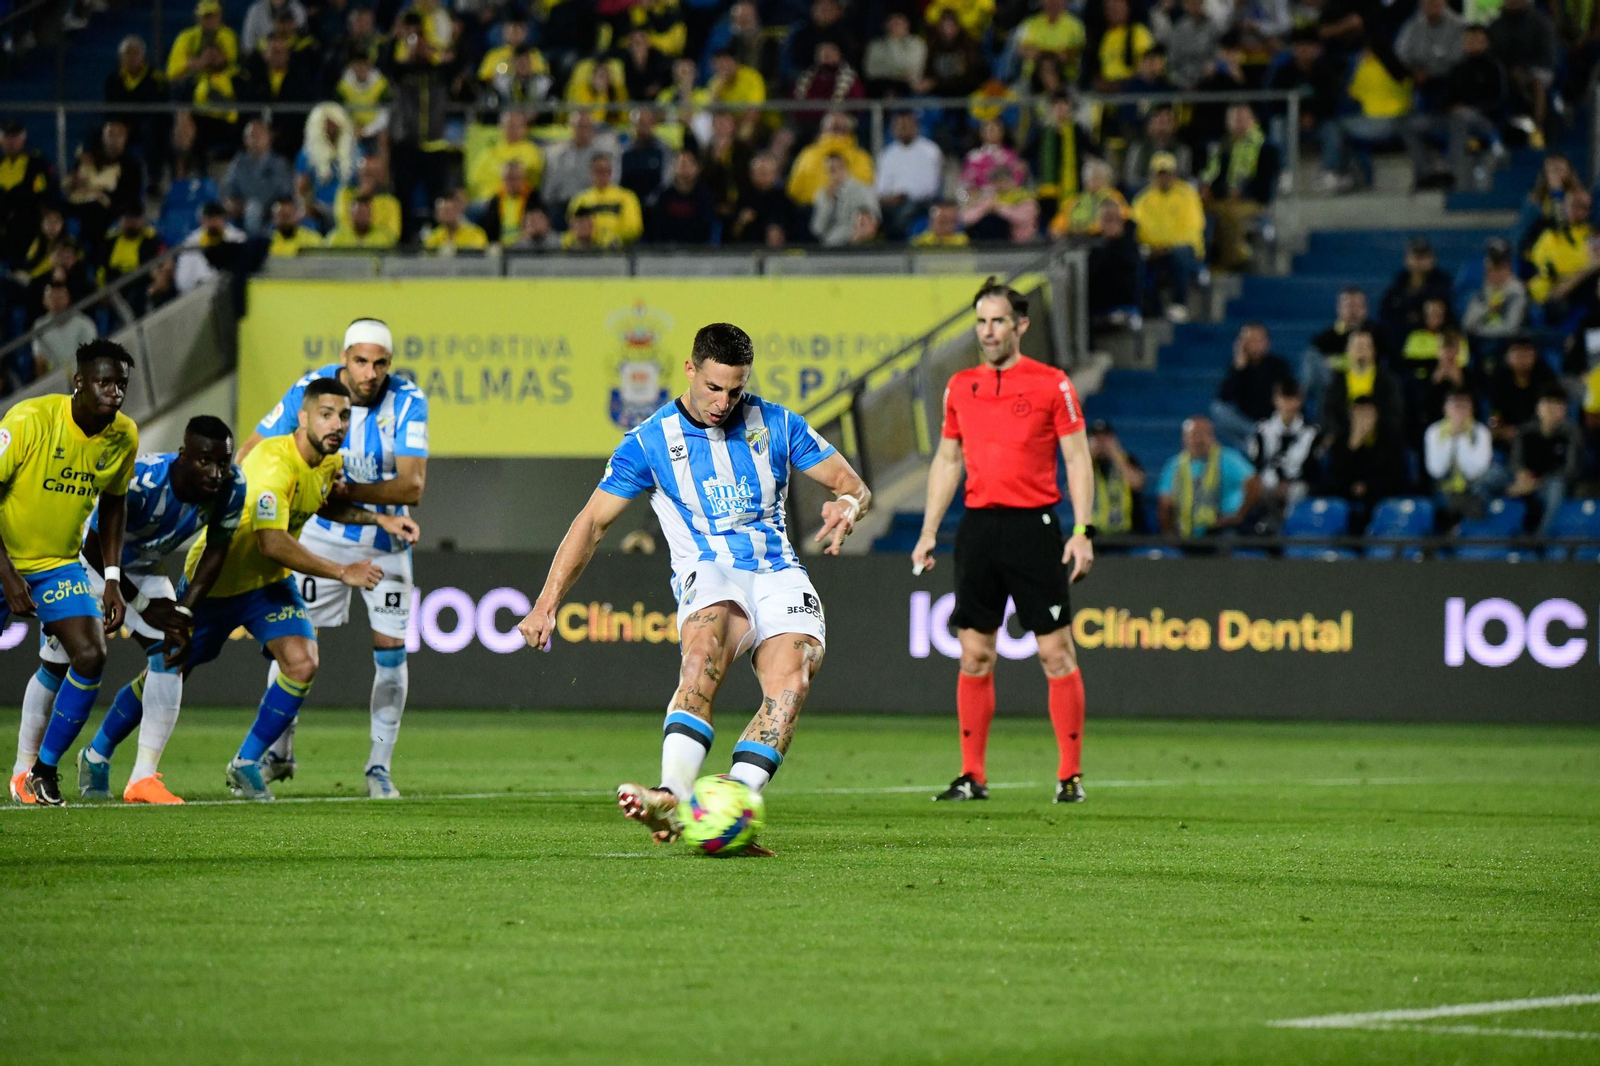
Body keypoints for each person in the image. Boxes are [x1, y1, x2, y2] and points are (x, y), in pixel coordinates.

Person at [515, 323, 870, 853]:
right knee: (704, 651)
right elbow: (591, 523)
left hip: (778, 571)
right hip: (707, 568)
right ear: (689, 370)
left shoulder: (777, 424)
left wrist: (847, 506)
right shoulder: (649, 441)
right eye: (713, 387)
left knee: (792, 680)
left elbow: (853, 485)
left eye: (735, 390)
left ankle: (731, 809)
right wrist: (546, 604)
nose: (723, 403)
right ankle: (671, 794)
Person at [178, 378, 415, 800]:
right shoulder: (275, 462)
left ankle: (249, 761)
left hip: (266, 581)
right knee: (170, 667)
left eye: (344, 416)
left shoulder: (327, 460)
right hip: (217, 578)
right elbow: (271, 542)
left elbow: (326, 502)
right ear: (302, 417)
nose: (337, 423)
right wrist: (342, 571)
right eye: (327, 415)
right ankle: (101, 754)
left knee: (301, 661)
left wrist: (380, 519)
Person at [910, 279, 1095, 805]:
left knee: (1056, 653)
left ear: (1021, 326)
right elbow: (948, 460)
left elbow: (1078, 458)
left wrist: (1082, 531)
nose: (988, 331)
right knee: (974, 655)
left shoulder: (1052, 384)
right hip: (978, 530)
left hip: (1034, 528)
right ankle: (972, 775)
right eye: (981, 322)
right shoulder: (959, 386)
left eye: (997, 321)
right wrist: (928, 531)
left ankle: (1070, 776)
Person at [237, 321, 428, 796]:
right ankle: (278, 753)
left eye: (380, 363)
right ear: (345, 358)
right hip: (319, 538)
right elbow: (253, 449)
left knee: (391, 653)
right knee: (291, 647)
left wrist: (344, 492)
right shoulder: (313, 389)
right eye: (361, 361)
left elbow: (412, 486)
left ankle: (378, 767)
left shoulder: (408, 400)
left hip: (385, 541)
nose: (370, 373)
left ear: (390, 364)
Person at [40, 420, 245, 804]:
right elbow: (93, 548)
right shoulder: (143, 480)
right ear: (183, 456)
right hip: (90, 562)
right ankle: (28, 767)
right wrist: (143, 605)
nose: (216, 473)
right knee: (57, 662)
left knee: (172, 648)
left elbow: (216, 549)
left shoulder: (233, 486)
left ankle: (142, 777)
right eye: (205, 461)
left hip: (143, 568)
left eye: (224, 462)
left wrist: (183, 613)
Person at [2, 340, 138, 807]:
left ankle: (39, 773)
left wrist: (112, 578)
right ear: (79, 382)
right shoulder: (29, 419)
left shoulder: (124, 435)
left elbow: (115, 502)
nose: (114, 392)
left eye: (121, 384)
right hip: (3, 558)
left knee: (91, 654)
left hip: (57, 564)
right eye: (104, 382)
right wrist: (8, 577)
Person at [1400, 22, 1507, 190]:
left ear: (1486, 43)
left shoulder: (1494, 67)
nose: (1473, 44)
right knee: (1410, 124)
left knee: (1461, 119)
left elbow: (1499, 101)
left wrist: (1470, 109)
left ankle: (1451, 173)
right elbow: (1446, 97)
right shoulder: (1458, 68)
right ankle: (1426, 173)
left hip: (1484, 120)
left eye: (1478, 40)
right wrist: (1446, 105)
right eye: (1469, 40)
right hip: (1452, 117)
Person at [1198, 105, 1279, 271]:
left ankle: (1235, 261)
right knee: (1195, 210)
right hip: (1222, 198)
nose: (1238, 123)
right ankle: (1203, 262)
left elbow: (1264, 183)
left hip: (1252, 201)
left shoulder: (1265, 147)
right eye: (1235, 119)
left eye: (1242, 118)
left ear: (1253, 120)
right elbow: (1213, 173)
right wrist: (1207, 188)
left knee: (1230, 216)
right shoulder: (1224, 145)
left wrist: (1242, 193)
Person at [1130, 152, 1205, 323]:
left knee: (1181, 254)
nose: (1164, 178)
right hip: (1153, 249)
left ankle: (1179, 303)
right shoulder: (1143, 199)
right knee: (1136, 257)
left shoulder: (1187, 195)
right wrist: (1151, 247)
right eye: (1160, 174)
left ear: (1174, 175)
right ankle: (1149, 309)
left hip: (1182, 249)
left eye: (1167, 174)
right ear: (1152, 176)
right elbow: (1137, 228)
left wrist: (1167, 246)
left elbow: (1192, 228)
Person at [1157, 416, 1260, 537]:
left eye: (1203, 434)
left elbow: (1254, 483)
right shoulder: (1174, 466)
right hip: (1187, 531)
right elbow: (1165, 503)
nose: (1199, 440)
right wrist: (1169, 534)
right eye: (1194, 435)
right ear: (1184, 439)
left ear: (1212, 436)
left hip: (1222, 528)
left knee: (1229, 537)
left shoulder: (1228, 458)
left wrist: (1239, 515)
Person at [1502, 387, 1582, 533]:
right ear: (1538, 407)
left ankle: (1541, 538)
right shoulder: (1525, 431)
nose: (1551, 409)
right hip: (1524, 482)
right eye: (1547, 404)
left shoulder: (1572, 434)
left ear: (1565, 410)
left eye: (1557, 405)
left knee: (1556, 489)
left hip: (1551, 484)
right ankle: (1496, 535)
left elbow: (1570, 470)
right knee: (1494, 478)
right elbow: (1514, 462)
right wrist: (1520, 474)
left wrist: (1538, 482)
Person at [1321, 396, 1406, 527]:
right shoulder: (1341, 441)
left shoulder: (1390, 440)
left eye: (1367, 414)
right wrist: (1352, 446)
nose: (1363, 419)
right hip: (1345, 496)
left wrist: (1368, 487)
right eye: (1358, 414)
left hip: (1381, 495)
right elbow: (1335, 476)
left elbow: (1396, 475)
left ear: (1376, 415)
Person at [1213, 322, 1295, 450]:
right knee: (1218, 409)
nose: (1255, 345)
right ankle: (1258, 440)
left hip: (1273, 420)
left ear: (1267, 343)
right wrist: (1239, 369)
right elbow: (1225, 397)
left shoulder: (1278, 365)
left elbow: (1287, 395)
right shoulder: (1238, 367)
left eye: (1259, 340)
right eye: (1250, 341)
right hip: (1247, 423)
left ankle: (1258, 443)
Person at [1249, 380, 1319, 530]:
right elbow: (1257, 464)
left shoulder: (1311, 432)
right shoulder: (1262, 430)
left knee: (1298, 491)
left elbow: (1312, 467)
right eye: (1284, 398)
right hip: (1269, 482)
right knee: (1260, 486)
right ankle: (1266, 525)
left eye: (1292, 399)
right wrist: (1275, 481)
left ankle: (1291, 527)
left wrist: (1289, 482)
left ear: (1300, 401)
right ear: (1275, 400)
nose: (1288, 404)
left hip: (1297, 483)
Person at [1322, 328, 1406, 449]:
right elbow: (1330, 413)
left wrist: (1370, 429)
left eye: (1365, 346)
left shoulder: (1388, 380)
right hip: (1345, 444)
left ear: (1373, 350)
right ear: (1347, 350)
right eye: (1357, 346)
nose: (1361, 350)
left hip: (1381, 445)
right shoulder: (1337, 382)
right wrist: (1351, 435)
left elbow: (1394, 413)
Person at [1424, 387, 1494, 526]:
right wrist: (1451, 439)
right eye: (1455, 406)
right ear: (1445, 408)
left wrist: (1461, 438)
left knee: (1478, 497)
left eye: (1464, 406)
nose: (1460, 411)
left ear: (1472, 409)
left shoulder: (1481, 432)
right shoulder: (1434, 432)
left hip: (1473, 490)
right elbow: (1436, 470)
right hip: (1442, 489)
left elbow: (1475, 471)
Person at [875, 112, 943, 239]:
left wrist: (904, 195)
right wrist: (890, 198)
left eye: (906, 125)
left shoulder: (930, 151)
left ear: (916, 126)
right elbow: (881, 188)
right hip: (892, 202)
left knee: (904, 212)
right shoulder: (887, 154)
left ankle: (898, 244)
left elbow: (930, 188)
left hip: (920, 202)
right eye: (899, 126)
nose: (903, 129)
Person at [221, 120, 294, 237]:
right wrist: (232, 204)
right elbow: (228, 191)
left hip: (272, 214)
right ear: (245, 140)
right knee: (252, 209)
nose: (255, 140)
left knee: (255, 208)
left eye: (260, 135)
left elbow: (286, 195)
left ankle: (256, 243)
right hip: (243, 213)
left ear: (269, 138)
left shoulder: (279, 164)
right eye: (251, 136)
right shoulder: (239, 163)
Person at [1486, 334, 1558, 446]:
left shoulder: (1546, 378)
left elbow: (1551, 413)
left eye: (1527, 352)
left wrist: (1523, 432)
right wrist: (1500, 429)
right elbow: (1495, 413)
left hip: (1539, 435)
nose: (1522, 358)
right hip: (1507, 436)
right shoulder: (1498, 379)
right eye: (1517, 352)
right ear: (1507, 356)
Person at [1378, 237, 1455, 341]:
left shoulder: (1442, 281)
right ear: (1407, 259)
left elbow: (1442, 310)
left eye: (1424, 257)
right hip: (1401, 338)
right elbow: (1386, 312)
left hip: (1433, 338)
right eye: (1416, 257)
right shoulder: (1399, 282)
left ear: (1432, 259)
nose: (1420, 262)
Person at [1461, 238, 1527, 347]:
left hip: (1507, 346)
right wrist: (1488, 309)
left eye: (1500, 268)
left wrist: (1480, 331)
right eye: (1491, 269)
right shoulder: (1481, 291)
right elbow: (1467, 324)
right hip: (1479, 345)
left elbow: (1511, 329)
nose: (1495, 273)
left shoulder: (1517, 292)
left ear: (1508, 268)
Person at [567, 155, 644, 247]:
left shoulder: (626, 197)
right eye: (598, 171)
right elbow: (573, 229)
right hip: (587, 249)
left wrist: (611, 237)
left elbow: (634, 228)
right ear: (591, 173)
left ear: (611, 172)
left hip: (619, 248)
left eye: (605, 171)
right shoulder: (580, 199)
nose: (602, 175)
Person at [1086, 200, 1142, 326]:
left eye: (1114, 219)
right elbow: (1092, 274)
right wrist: (1107, 243)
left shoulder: (1129, 243)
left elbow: (1132, 271)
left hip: (1122, 301)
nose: (1111, 224)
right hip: (1095, 304)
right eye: (1107, 219)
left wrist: (1116, 242)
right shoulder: (1093, 245)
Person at [29, 281, 99, 380]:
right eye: (51, 298)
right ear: (44, 301)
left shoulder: (83, 323)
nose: (56, 302)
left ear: (68, 298)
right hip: (56, 380)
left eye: (60, 298)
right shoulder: (40, 327)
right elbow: (40, 360)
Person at [1088, 419, 1146, 533]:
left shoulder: (1127, 460)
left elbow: (1138, 484)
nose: (1101, 443)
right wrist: (1089, 458)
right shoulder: (1085, 465)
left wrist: (1116, 456)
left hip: (1126, 532)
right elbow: (1071, 494)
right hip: (1094, 532)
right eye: (1097, 439)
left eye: (1105, 438)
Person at [810, 153, 880, 247]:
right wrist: (828, 201)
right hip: (832, 244)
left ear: (846, 168)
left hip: (859, 241)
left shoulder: (862, 189)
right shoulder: (822, 195)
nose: (835, 174)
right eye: (831, 170)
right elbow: (818, 229)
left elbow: (874, 219)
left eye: (838, 168)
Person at [647, 152, 716, 244]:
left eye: (689, 163)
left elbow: (706, 227)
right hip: (667, 248)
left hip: (697, 248)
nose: (684, 167)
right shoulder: (664, 196)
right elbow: (657, 229)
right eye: (681, 163)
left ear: (698, 168)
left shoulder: (704, 196)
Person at [728, 154, 792, 244]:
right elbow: (731, 233)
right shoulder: (743, 198)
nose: (763, 177)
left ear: (775, 174)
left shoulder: (784, 199)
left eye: (767, 173)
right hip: (747, 247)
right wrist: (741, 222)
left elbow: (793, 229)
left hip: (778, 250)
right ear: (751, 175)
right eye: (760, 172)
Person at [423, 193, 490, 253]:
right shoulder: (434, 236)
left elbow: (478, 255)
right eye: (442, 211)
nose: (446, 215)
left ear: (458, 210)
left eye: (448, 211)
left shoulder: (475, 234)